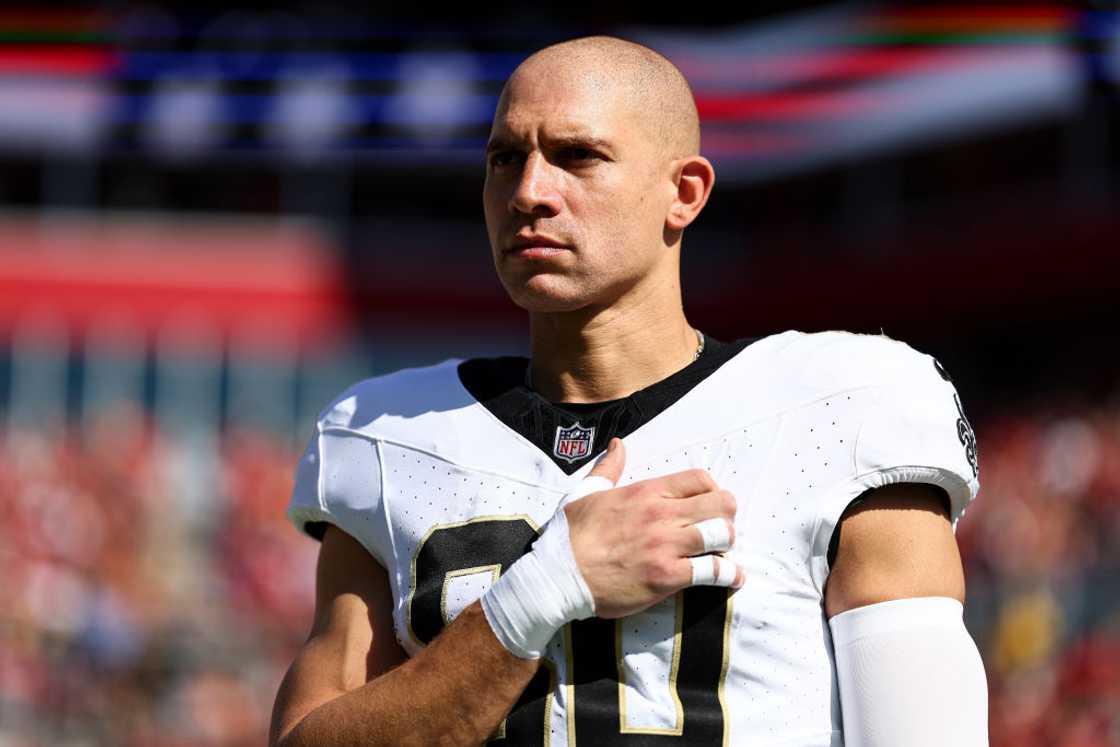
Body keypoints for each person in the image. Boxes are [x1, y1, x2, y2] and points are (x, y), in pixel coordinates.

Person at [270, 35, 988, 747]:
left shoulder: (846, 408)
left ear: (684, 193)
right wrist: (540, 592)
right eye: (505, 158)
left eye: (578, 156)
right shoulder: (385, 434)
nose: (529, 192)